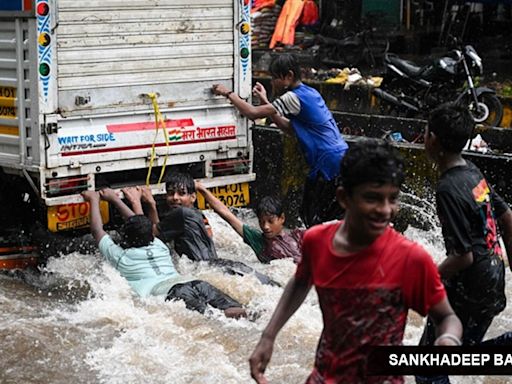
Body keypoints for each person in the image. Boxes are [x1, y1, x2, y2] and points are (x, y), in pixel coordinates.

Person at [249, 138, 462, 384]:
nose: (385, 209)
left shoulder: (411, 258)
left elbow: (447, 317)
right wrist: (268, 336)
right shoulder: (317, 241)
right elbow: (300, 282)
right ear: (343, 198)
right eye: (372, 198)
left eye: (392, 199)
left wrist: (448, 341)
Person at [417, 104, 512, 384]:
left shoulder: (448, 188)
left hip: (470, 286)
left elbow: (463, 256)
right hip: (492, 280)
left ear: (432, 139)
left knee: (427, 368)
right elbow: (507, 217)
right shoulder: (472, 171)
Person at [212, 53, 348, 227]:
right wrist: (265, 100)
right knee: (315, 213)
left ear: (288, 76)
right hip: (336, 158)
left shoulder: (293, 97)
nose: (273, 82)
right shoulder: (309, 92)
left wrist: (228, 93)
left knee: (316, 216)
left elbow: (252, 113)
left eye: (275, 78)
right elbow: (289, 128)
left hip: (328, 162)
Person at [81, 188, 247, 319]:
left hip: (173, 293)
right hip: (196, 282)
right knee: (237, 311)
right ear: (149, 236)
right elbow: (141, 224)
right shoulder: (159, 246)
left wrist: (94, 199)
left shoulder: (121, 257)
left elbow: (97, 231)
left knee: (214, 317)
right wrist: (115, 199)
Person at [122, 172, 279, 286]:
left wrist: (139, 203)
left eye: (181, 193)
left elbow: (149, 235)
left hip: (203, 270)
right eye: (170, 193)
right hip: (220, 265)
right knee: (270, 286)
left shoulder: (181, 214)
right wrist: (151, 205)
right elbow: (160, 231)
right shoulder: (197, 214)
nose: (175, 197)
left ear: (193, 197)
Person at [195, 182, 303, 263]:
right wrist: (202, 189)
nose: (265, 227)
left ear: (282, 218)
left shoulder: (297, 236)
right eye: (261, 222)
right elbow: (226, 214)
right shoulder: (257, 240)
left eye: (270, 221)